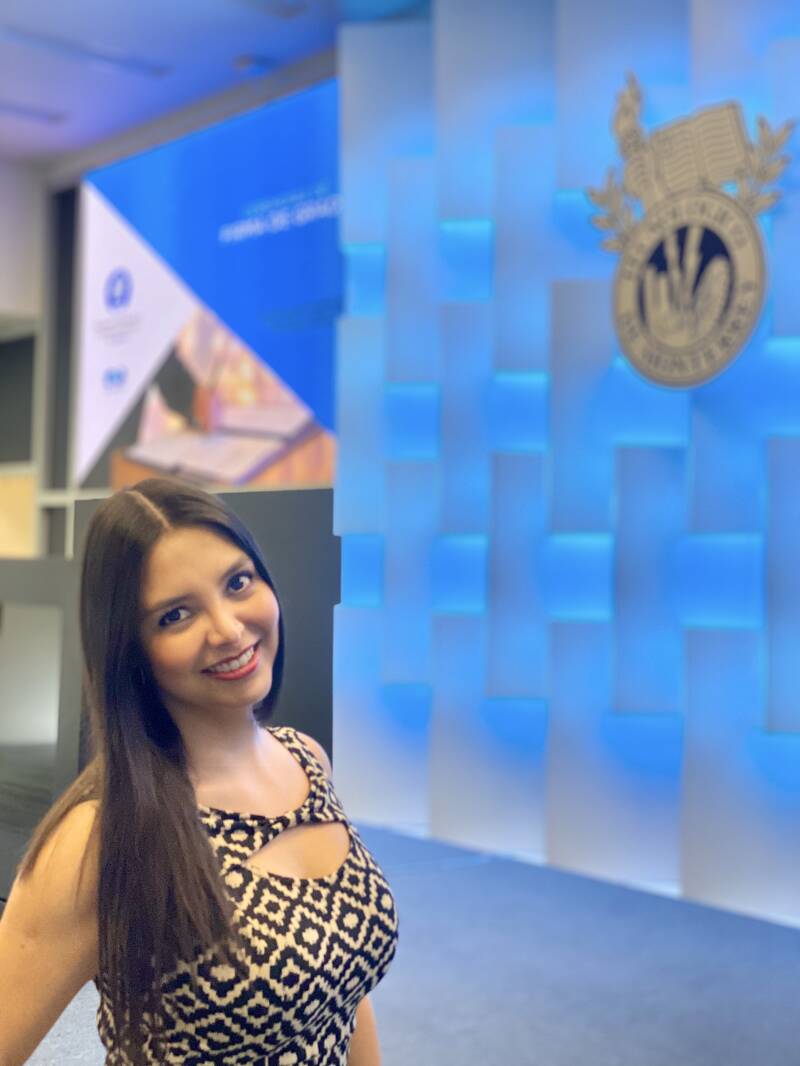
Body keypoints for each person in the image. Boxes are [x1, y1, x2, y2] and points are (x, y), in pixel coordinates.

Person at [0, 477, 399, 1065]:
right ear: (129, 648)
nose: (229, 629)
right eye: (176, 615)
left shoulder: (307, 760)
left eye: (238, 582)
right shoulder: (102, 839)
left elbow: (343, 989)